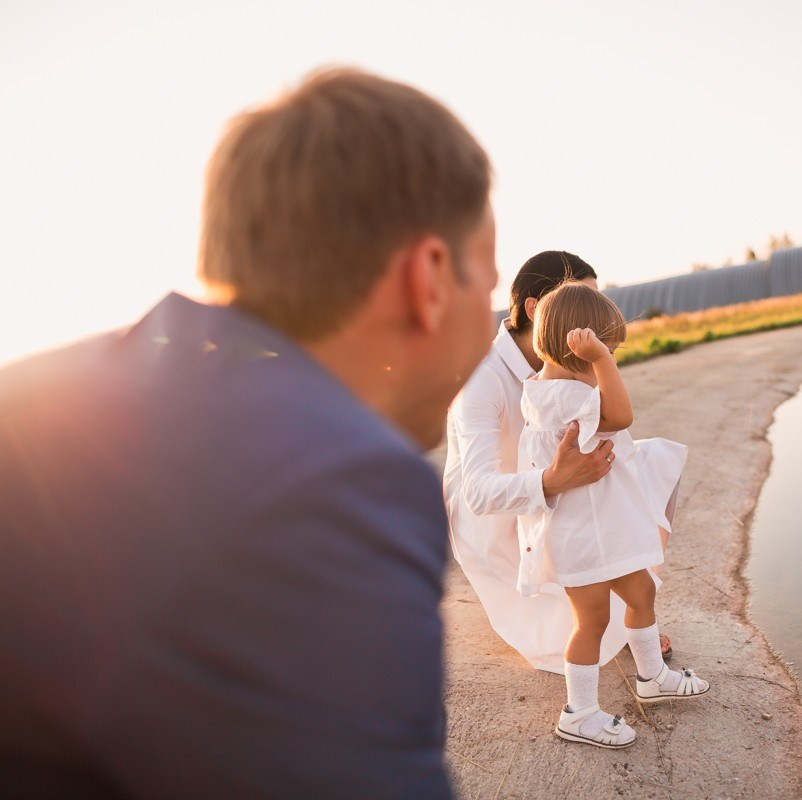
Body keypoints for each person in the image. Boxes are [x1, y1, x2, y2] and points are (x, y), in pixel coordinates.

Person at [0, 68, 494, 798]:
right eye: (487, 277)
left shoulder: (41, 392)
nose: (491, 316)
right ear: (428, 278)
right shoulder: (337, 483)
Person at [443, 251, 672, 674]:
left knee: (652, 459)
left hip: (563, 502)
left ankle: (636, 613)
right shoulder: (481, 380)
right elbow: (476, 492)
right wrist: (550, 480)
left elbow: (610, 425)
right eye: (583, 307)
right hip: (502, 520)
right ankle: (621, 629)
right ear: (535, 308)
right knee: (581, 631)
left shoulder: (569, 365)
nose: (596, 328)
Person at [518, 282, 709, 749]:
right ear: (579, 349)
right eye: (607, 349)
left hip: (602, 528)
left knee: (641, 592)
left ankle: (652, 676)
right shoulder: (567, 397)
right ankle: (578, 713)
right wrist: (604, 360)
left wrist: (597, 359)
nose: (610, 358)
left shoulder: (544, 390)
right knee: (593, 621)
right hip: (585, 536)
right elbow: (622, 415)